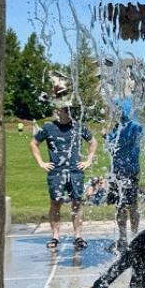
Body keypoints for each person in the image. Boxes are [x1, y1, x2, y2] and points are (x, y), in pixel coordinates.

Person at [31, 103, 97, 250]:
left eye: (69, 109)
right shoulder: (48, 127)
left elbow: (93, 142)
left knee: (77, 203)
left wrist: (88, 160)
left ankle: (78, 236)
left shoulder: (78, 127)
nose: (68, 112)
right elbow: (34, 143)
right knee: (55, 203)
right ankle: (55, 236)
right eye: (65, 109)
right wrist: (41, 162)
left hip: (75, 172)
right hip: (56, 172)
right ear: (58, 111)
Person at [106, 100, 144, 251]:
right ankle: (124, 238)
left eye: (117, 109)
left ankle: (132, 237)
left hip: (129, 171)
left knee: (130, 206)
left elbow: (118, 144)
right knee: (121, 206)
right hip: (119, 172)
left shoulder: (133, 126)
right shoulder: (119, 126)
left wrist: (107, 136)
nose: (115, 112)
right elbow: (112, 147)